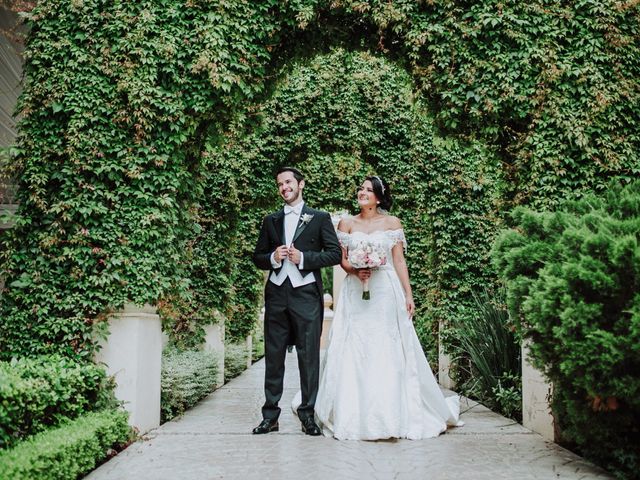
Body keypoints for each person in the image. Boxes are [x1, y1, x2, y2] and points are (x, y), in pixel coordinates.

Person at [314, 175, 463, 440]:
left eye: (368, 190)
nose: (362, 192)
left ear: (379, 197)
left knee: (386, 346)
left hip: (384, 291)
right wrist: (356, 269)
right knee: (355, 346)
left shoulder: (392, 223)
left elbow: (399, 261)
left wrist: (409, 294)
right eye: (360, 188)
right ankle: (353, 413)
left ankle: (393, 413)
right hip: (354, 293)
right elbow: (342, 260)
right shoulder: (345, 223)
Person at [252, 166, 342, 436]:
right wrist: (272, 258)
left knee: (309, 356)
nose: (284, 187)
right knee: (274, 356)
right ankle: (270, 416)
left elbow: (334, 254)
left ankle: (308, 415)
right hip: (277, 294)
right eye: (280, 184)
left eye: (288, 182)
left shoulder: (319, 218)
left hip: (306, 295)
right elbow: (257, 257)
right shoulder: (271, 220)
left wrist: (303, 258)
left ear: (301, 184)